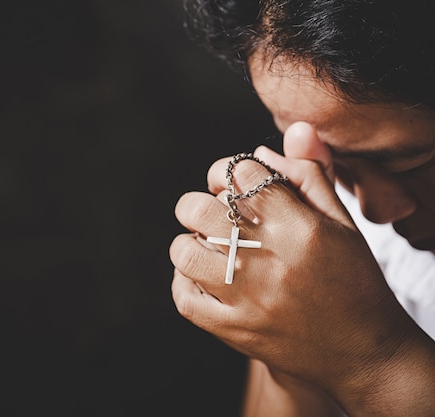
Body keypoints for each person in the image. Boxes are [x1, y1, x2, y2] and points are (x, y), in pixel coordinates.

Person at [169, 1, 435, 416]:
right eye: (338, 164)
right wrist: (287, 343)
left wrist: (373, 361)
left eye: (410, 164)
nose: (372, 211)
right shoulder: (324, 223)